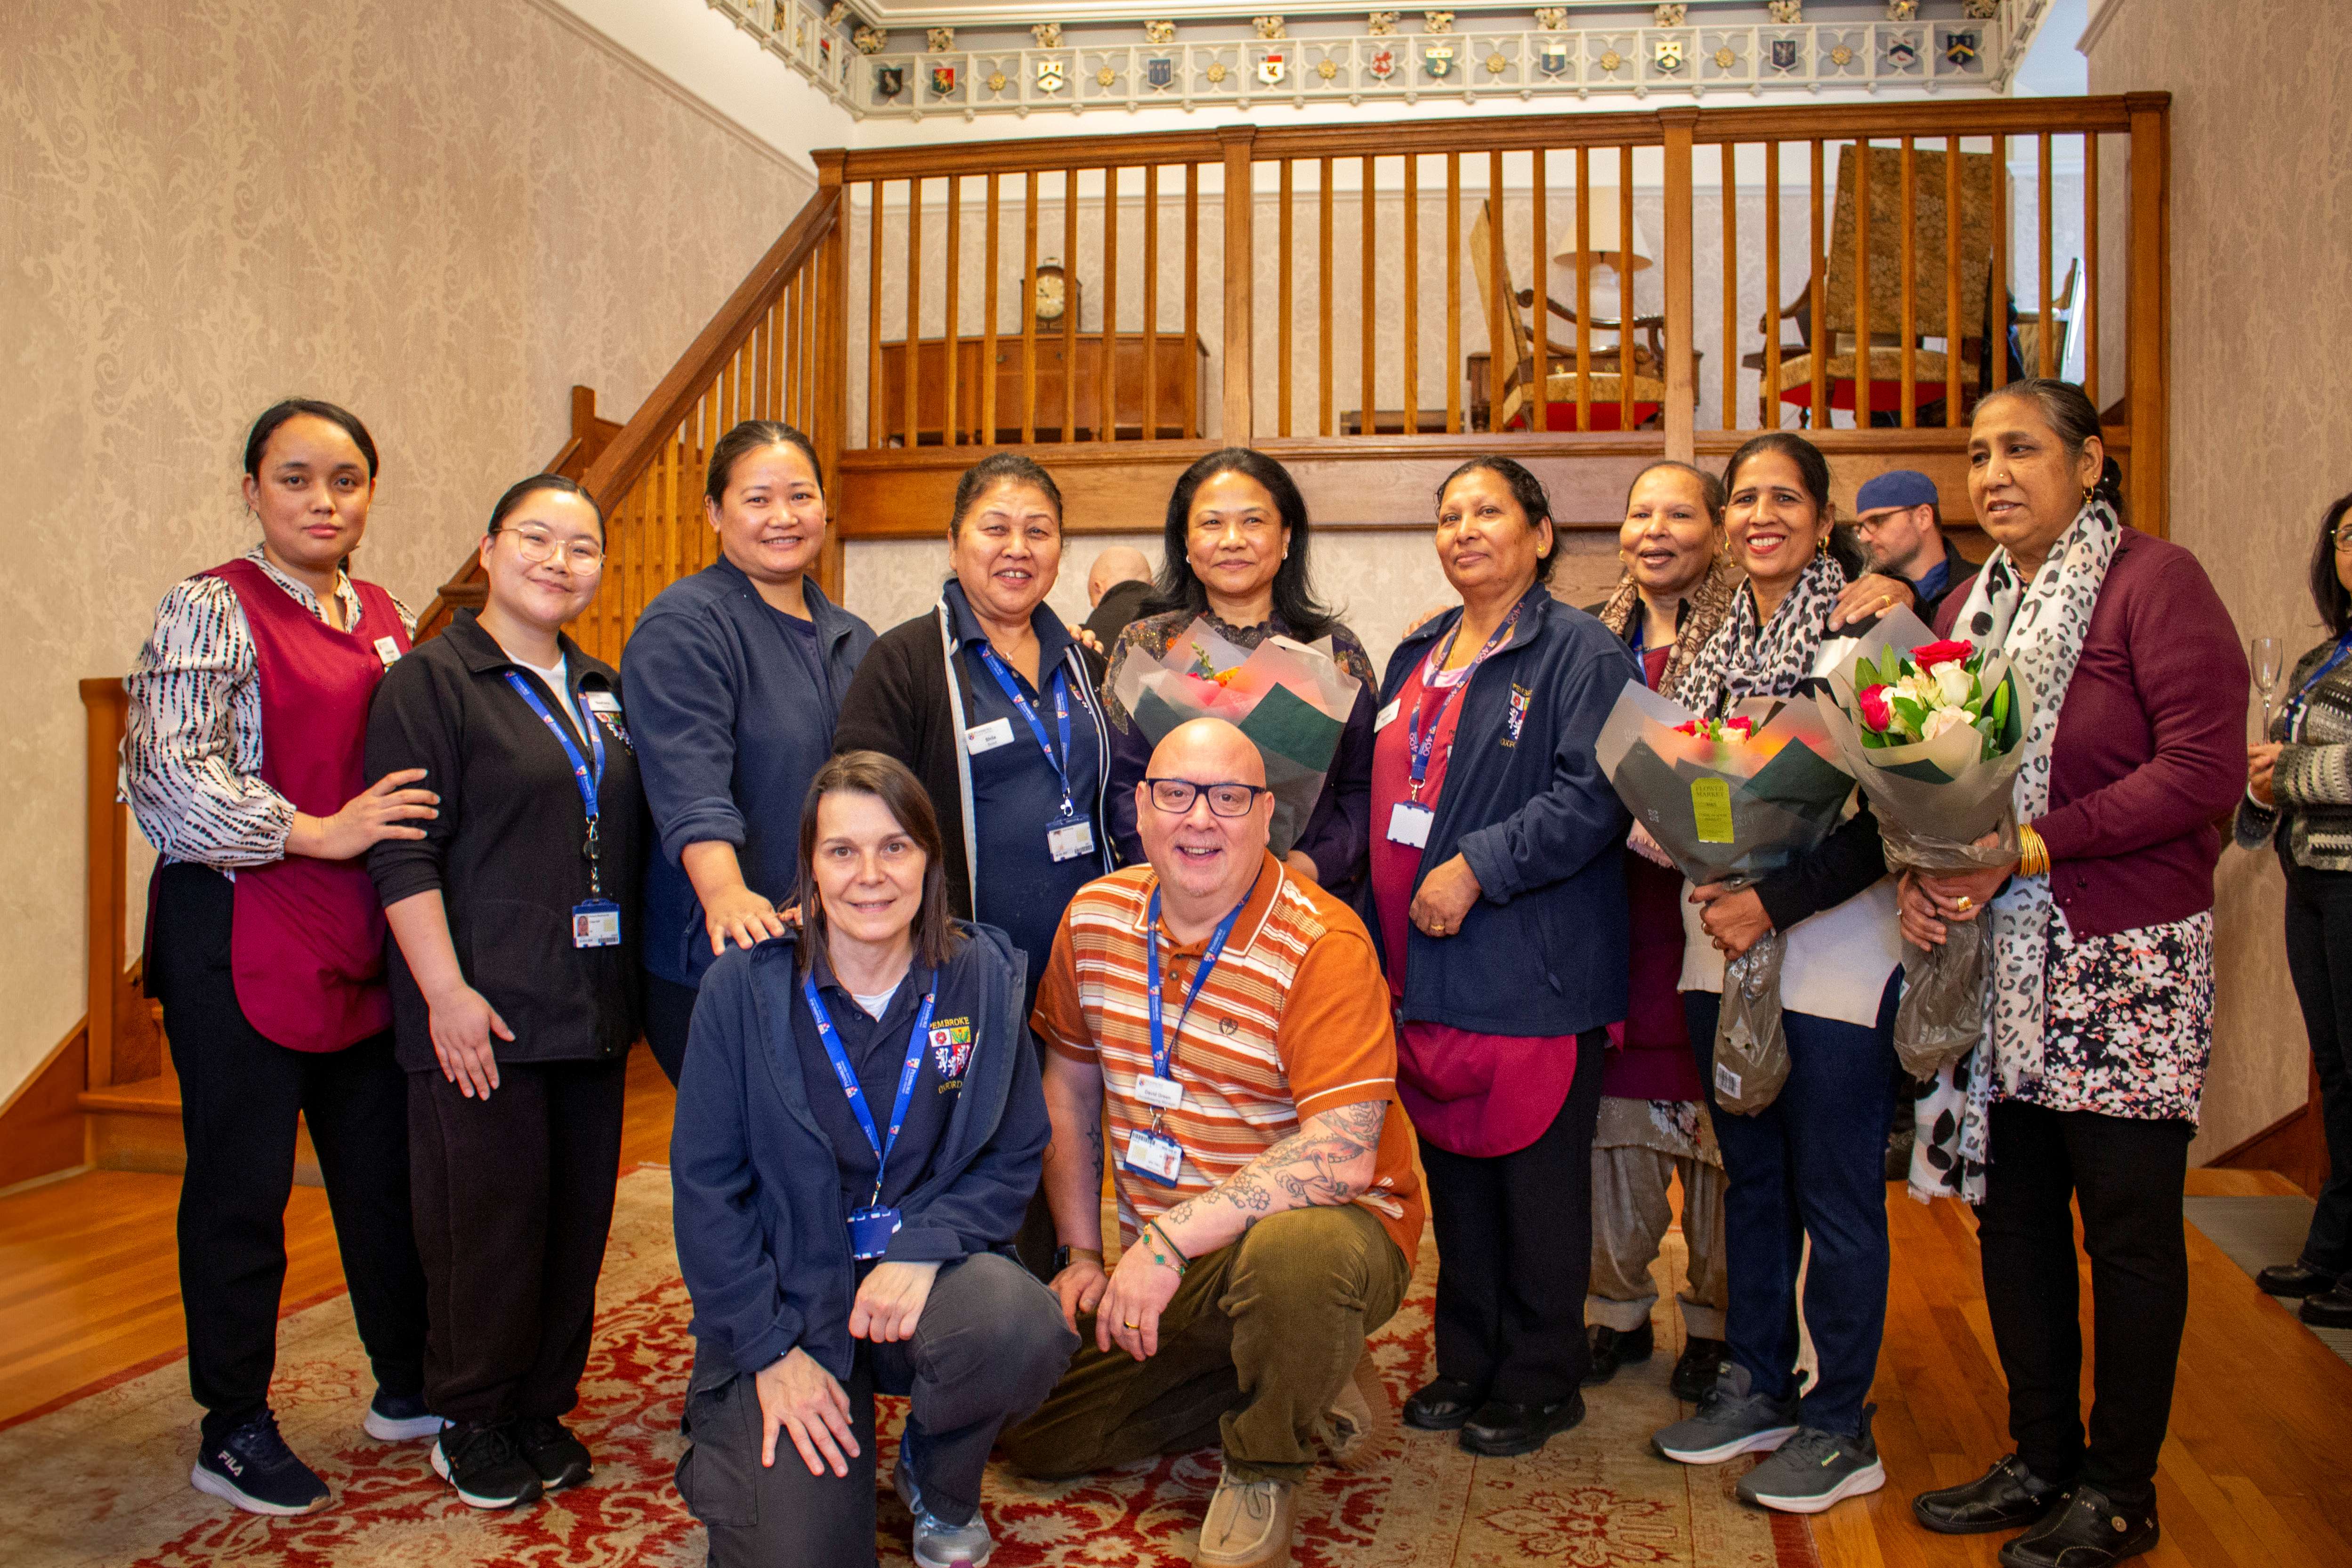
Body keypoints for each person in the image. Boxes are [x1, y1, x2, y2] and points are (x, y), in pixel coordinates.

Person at [1904, 380, 2249, 1568]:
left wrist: (2032, 847)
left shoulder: (2156, 582)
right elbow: (1935, 784)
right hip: (2001, 963)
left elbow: (2201, 772)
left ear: (2089, 463)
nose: (1991, 474)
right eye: (1975, 454)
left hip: (2125, 960)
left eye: (2020, 449)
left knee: (2127, 1233)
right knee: (2013, 1222)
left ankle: (2119, 1488)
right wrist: (1923, 869)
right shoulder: (1969, 608)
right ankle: (2039, 1455)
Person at [1002, 718, 1426, 1568]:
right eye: (1176, 794)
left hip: (1325, 1232)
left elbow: (1341, 1155)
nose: (1200, 819)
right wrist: (1083, 1254)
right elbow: (1070, 1091)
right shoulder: (1093, 918)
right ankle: (1306, 1367)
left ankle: (1263, 1463)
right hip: (1174, 1265)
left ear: (1267, 814)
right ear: (1140, 809)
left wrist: (1165, 1240)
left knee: (1295, 1260)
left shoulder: (1323, 942)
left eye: (1229, 797)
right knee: (1033, 1434)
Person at [122, 399, 436, 1516]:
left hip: (356, 939)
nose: (322, 500)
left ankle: (409, 1382)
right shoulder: (210, 606)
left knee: (384, 1180)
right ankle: (234, 1425)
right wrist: (320, 830)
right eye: (295, 478)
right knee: (241, 1193)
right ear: (252, 489)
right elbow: (168, 778)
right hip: (237, 934)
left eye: (345, 479)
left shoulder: (388, 613)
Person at [671, 751, 1075, 1568]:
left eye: (895, 847)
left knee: (1017, 1324)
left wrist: (923, 1248)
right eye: (842, 851)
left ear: (929, 858)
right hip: (790, 1301)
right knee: (800, 1557)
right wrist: (769, 1352)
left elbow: (1012, 1153)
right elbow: (708, 1192)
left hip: (918, 1291)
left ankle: (937, 1476)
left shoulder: (979, 978)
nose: (870, 875)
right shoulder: (742, 989)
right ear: (810, 869)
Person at [366, 475, 644, 1510]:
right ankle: (471, 1417)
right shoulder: (431, 683)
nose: (558, 562)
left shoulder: (601, 686)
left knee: (574, 1225)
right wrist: (445, 994)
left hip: (589, 1006)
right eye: (536, 538)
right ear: (487, 550)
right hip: (481, 1009)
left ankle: (539, 1404)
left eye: (582, 547)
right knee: (485, 1227)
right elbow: (402, 854)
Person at [1649, 431, 1903, 1516]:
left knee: (1833, 1192)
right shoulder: (1705, 641)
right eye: (1743, 498)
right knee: (1750, 1180)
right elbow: (1679, 776)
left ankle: (1840, 1423)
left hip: (1835, 946)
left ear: (1821, 516)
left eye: (1783, 498)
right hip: (1718, 939)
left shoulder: (1870, 627)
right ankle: (1757, 1382)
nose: (1761, 515)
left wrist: (1775, 899)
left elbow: (1903, 814)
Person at [1360, 458, 1635, 1458]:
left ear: (1541, 534)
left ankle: (1539, 1377)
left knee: (1536, 1190)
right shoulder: (1418, 652)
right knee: (1458, 1183)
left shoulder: (1580, 650)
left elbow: (1594, 796)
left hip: (1531, 967)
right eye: (1449, 516)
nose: (1465, 529)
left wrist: (1479, 866)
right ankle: (1467, 1360)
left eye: (1488, 511)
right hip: (1423, 972)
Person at [623, 420, 875, 1085]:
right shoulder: (685, 625)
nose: (783, 517)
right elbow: (689, 778)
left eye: (800, 496)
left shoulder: (853, 636)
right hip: (723, 955)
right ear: (715, 512)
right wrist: (727, 893)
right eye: (758, 499)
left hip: (836, 943)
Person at [1582, 460, 1740, 1401]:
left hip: (1719, 912)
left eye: (1679, 513)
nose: (1655, 530)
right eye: (1640, 513)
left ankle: (1718, 1323)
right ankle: (1616, 1309)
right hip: (1617, 910)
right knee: (1617, 1129)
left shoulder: (1751, 636)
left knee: (1724, 1129)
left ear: (1716, 530)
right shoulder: (1590, 639)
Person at [1103, 449, 1378, 904]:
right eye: (1212, 523)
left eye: (1253, 521)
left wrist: (1309, 867)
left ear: (1286, 537)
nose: (1232, 540)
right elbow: (1122, 786)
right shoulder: (1147, 646)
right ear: (1185, 541)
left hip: (1303, 897)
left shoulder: (1335, 653)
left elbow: (1362, 788)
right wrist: (1181, 872)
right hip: (1177, 896)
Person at [2239, 490, 2352, 1332]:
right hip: (2310, 877)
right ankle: (2333, 1245)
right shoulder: (2325, 655)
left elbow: (2315, 765)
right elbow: (2279, 756)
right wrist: (2259, 789)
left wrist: (2286, 774)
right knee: (2337, 1074)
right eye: (2345, 537)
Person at [1852, 468, 1978, 623]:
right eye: (1861, 528)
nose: (1864, 538)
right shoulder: (1865, 598)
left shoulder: (1983, 585)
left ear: (1923, 518)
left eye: (1876, 521)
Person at [1082, 544, 1157, 649]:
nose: (1095, 608)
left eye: (1093, 603)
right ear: (1153, 585)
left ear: (1098, 588)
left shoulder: (1088, 635)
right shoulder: (1176, 614)